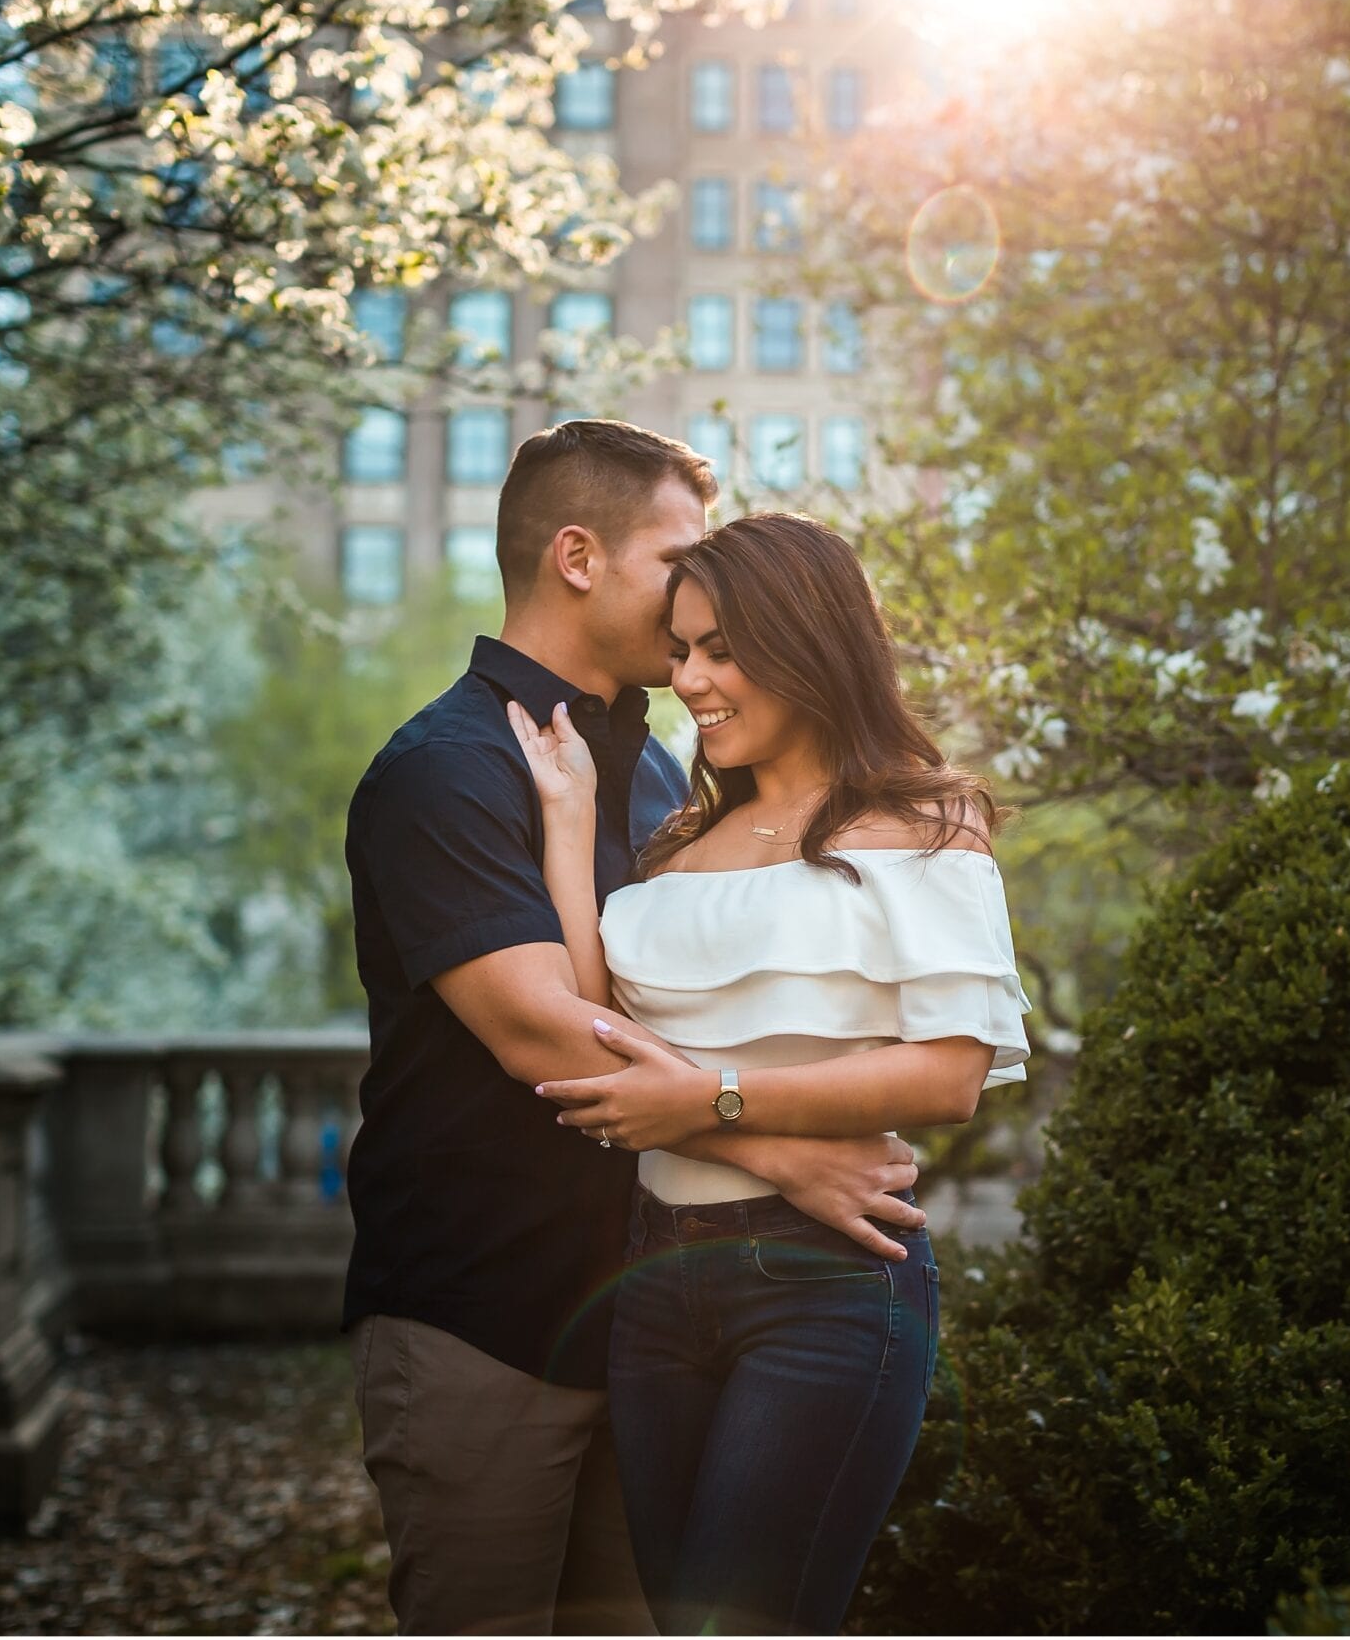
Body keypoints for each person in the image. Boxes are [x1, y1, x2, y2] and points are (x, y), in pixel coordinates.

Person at [342, 422, 931, 1636]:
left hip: (656, 1324)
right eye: (678, 554)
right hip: (483, 1319)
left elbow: (671, 1005)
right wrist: (787, 1155)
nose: (702, 587)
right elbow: (550, 1036)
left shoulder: (668, 775)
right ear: (576, 556)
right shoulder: (445, 769)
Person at [507, 510, 1031, 1635]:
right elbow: (601, 1030)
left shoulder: (923, 824)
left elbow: (946, 1072)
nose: (691, 677)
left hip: (826, 1288)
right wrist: (567, 820)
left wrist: (714, 1097)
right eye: (683, 648)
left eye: (721, 649)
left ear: (809, 641)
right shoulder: (679, 843)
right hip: (652, 1284)